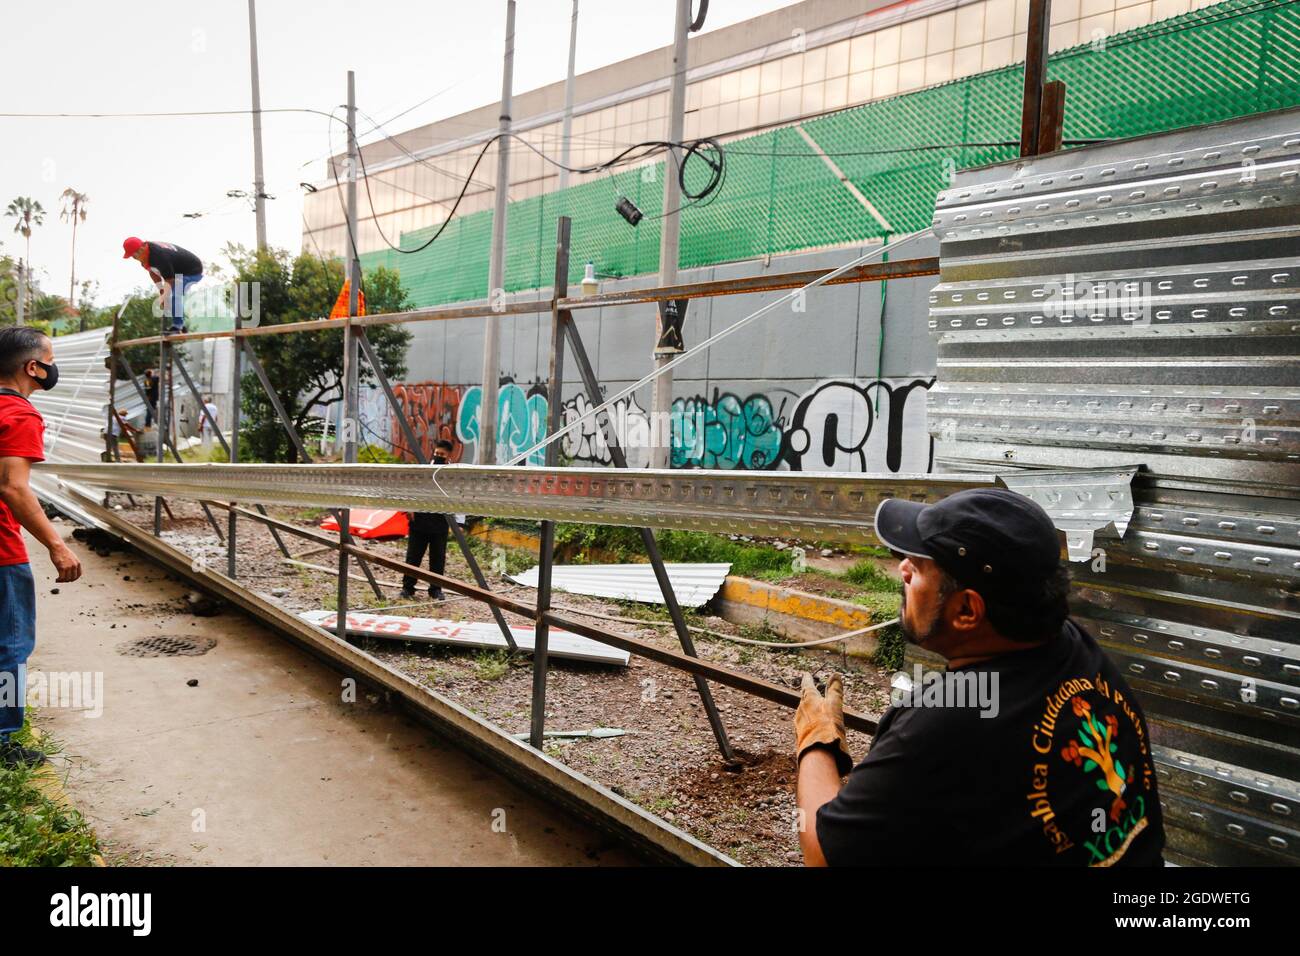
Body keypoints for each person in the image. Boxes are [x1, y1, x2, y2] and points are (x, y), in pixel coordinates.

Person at [794, 487, 1165, 867]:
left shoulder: (940, 725)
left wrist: (816, 740)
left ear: (968, 610)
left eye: (920, 566)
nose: (903, 568)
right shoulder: (1069, 643)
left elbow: (823, 856)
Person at [0, 327, 83, 768]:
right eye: (49, 359)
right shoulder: (19, 414)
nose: (53, 368)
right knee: (11, 647)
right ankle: (4, 742)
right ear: (33, 367)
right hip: (1, 554)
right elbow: (13, 487)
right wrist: (57, 545)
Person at [400, 439, 453, 602]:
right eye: (437, 453)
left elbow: (457, 497)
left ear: (449, 456)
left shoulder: (452, 474)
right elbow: (411, 489)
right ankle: (408, 588)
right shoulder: (424, 470)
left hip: (440, 522)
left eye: (442, 455)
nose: (438, 456)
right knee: (413, 557)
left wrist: (457, 523)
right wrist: (409, 508)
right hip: (420, 521)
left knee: (437, 559)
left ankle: (435, 590)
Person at [122, 237, 203, 334]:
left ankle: (177, 327)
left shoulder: (158, 256)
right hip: (177, 272)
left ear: (143, 247)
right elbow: (153, 272)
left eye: (136, 254)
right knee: (168, 296)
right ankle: (181, 326)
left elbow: (169, 279)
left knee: (173, 295)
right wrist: (161, 292)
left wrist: (164, 297)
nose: (135, 258)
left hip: (192, 270)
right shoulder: (145, 257)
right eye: (132, 256)